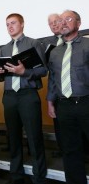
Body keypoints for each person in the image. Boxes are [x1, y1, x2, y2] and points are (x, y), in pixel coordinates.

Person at [0, 13, 47, 184]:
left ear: (22, 24)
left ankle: (39, 176)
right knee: (13, 137)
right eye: (7, 24)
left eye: (13, 23)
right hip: (9, 96)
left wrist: (25, 72)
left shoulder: (33, 43)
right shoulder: (3, 49)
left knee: (34, 136)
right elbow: (2, 78)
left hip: (28, 95)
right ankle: (16, 174)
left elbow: (43, 70)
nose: (10, 26)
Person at [47, 10, 89, 184]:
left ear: (78, 23)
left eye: (68, 19)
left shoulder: (87, 46)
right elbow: (53, 80)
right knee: (70, 150)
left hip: (86, 103)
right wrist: (50, 102)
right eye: (61, 20)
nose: (63, 23)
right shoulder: (55, 52)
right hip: (64, 106)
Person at [41, 14, 63, 158]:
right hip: (55, 85)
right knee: (58, 121)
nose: (54, 25)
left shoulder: (76, 40)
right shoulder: (46, 43)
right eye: (51, 24)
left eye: (56, 22)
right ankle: (62, 148)